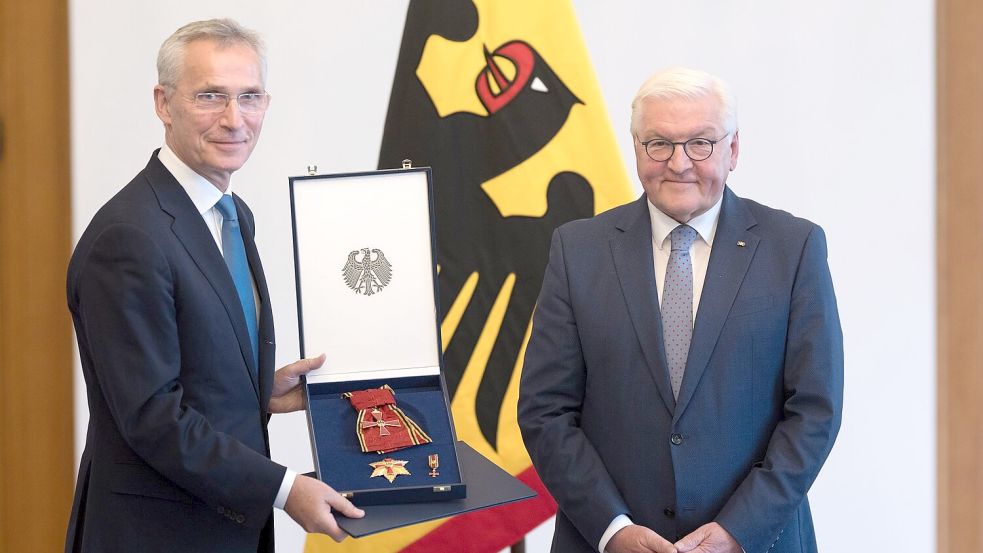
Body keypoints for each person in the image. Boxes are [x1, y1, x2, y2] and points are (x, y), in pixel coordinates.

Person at [65, 19, 363, 552]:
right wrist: (286, 489)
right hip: (157, 535)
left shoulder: (230, 214)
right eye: (210, 97)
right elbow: (152, 417)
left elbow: (184, 364)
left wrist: (253, 391)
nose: (234, 119)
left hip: (225, 529)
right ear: (163, 103)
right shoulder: (130, 236)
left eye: (250, 97)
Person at [518, 67, 843, 553]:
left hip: (759, 541)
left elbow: (815, 411)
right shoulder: (577, 250)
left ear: (732, 150)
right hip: (605, 541)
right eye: (659, 144)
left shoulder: (793, 248)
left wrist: (740, 530)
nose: (679, 163)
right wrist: (613, 529)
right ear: (637, 149)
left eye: (700, 143)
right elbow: (546, 411)